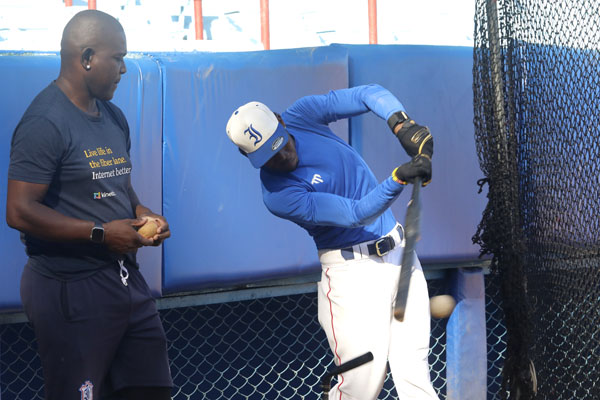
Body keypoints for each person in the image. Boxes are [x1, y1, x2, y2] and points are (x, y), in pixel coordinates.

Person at [225, 84, 439, 400]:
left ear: (281, 121)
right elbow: (356, 214)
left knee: (415, 377)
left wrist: (401, 123)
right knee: (360, 387)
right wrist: (398, 178)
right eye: (268, 156)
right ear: (249, 156)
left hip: (400, 252)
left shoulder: (303, 114)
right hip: (353, 277)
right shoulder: (277, 195)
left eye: (280, 143)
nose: (282, 156)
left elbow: (367, 94)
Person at [6, 10, 172, 400]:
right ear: (86, 58)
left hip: (125, 280)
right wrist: (100, 234)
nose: (124, 69)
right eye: (117, 58)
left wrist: (142, 214)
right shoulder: (44, 121)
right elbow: (19, 210)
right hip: (70, 288)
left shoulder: (112, 116)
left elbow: (120, 188)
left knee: (152, 389)